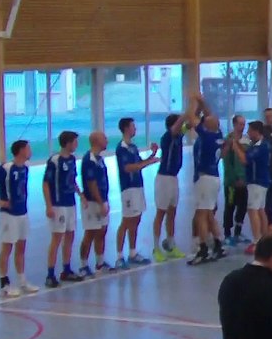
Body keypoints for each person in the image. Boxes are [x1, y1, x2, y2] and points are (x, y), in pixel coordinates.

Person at [0, 140, 38, 299]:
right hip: (9, 215)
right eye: (28, 148)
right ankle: (4, 283)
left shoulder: (26, 168)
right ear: (21, 150)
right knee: (7, 248)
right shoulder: (7, 168)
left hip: (23, 212)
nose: (30, 151)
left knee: (21, 247)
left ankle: (22, 280)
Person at [152, 99, 195, 262]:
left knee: (172, 213)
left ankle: (171, 243)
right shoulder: (168, 136)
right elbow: (181, 123)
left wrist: (195, 106)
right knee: (161, 213)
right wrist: (186, 111)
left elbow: (190, 124)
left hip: (174, 178)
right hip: (163, 178)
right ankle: (156, 248)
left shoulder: (179, 135)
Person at [115, 117, 159, 269]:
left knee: (136, 219)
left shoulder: (133, 147)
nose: (135, 129)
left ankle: (133, 252)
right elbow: (128, 168)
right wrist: (149, 162)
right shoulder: (121, 148)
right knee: (127, 221)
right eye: (133, 126)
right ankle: (119, 256)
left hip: (138, 186)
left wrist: (152, 155)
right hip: (128, 188)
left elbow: (139, 163)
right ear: (126, 128)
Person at [43, 131, 85, 287]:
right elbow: (46, 183)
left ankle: (66, 269)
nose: (76, 145)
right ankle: (50, 274)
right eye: (74, 142)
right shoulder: (54, 160)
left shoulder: (73, 160)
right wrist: (49, 206)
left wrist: (80, 194)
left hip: (70, 203)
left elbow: (72, 180)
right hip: (58, 204)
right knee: (57, 238)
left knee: (70, 235)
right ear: (67, 143)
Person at [190, 103, 229, 265]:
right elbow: (209, 116)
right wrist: (202, 102)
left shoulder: (206, 136)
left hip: (205, 178)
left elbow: (191, 119)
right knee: (209, 214)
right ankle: (218, 244)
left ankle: (203, 248)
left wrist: (193, 102)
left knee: (201, 214)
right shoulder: (218, 135)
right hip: (214, 178)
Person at [79, 131, 114, 276]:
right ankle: (83, 265)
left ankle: (100, 262)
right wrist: (100, 202)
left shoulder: (99, 158)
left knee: (102, 231)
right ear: (96, 141)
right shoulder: (89, 159)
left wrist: (105, 200)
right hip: (93, 202)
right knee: (90, 232)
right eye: (104, 138)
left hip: (102, 200)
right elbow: (91, 183)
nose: (107, 140)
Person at [236, 121, 271, 255]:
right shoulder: (257, 145)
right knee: (261, 210)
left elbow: (245, 160)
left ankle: (257, 241)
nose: (248, 133)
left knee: (252, 210)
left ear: (257, 131)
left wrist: (235, 147)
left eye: (250, 131)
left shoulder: (260, 146)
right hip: (261, 182)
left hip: (257, 182)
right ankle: (265, 238)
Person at [223, 114, 251, 246]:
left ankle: (238, 232)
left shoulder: (246, 140)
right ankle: (227, 233)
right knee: (230, 206)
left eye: (244, 124)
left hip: (244, 181)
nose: (242, 126)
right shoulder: (228, 139)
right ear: (234, 124)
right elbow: (225, 160)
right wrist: (234, 178)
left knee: (242, 206)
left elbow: (247, 159)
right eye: (240, 124)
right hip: (231, 182)